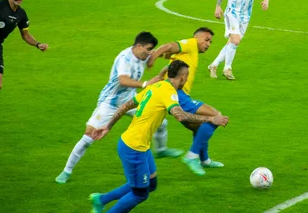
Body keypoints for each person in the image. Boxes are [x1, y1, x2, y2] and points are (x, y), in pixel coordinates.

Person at [88, 60, 229, 213]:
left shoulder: (155, 86)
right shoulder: (169, 92)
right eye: (186, 77)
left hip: (139, 144)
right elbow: (180, 116)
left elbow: (125, 105)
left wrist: (108, 126)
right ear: (182, 77)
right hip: (133, 148)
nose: (186, 80)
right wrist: (211, 119)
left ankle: (101, 199)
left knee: (151, 183)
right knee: (140, 193)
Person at [54, 32, 183, 184]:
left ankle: (161, 150)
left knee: (161, 122)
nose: (149, 53)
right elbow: (123, 80)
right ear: (138, 46)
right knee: (89, 135)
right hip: (111, 102)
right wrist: (146, 84)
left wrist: (155, 57)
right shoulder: (125, 59)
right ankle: (66, 171)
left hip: (130, 99)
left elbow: (156, 54)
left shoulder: (142, 54)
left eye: (150, 50)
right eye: (147, 49)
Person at [149, 27, 223, 176]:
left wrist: (161, 55)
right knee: (216, 117)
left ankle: (204, 160)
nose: (208, 44)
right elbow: (169, 46)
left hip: (177, 94)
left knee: (198, 126)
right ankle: (192, 156)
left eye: (211, 42)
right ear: (196, 38)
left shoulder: (190, 52)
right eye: (206, 40)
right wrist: (154, 56)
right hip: (177, 93)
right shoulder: (190, 44)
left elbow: (169, 52)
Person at [208, 0, 270, 80]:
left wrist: (266, 1)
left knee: (232, 43)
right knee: (235, 40)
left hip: (246, 15)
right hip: (232, 12)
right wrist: (218, 6)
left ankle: (214, 65)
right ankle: (227, 68)